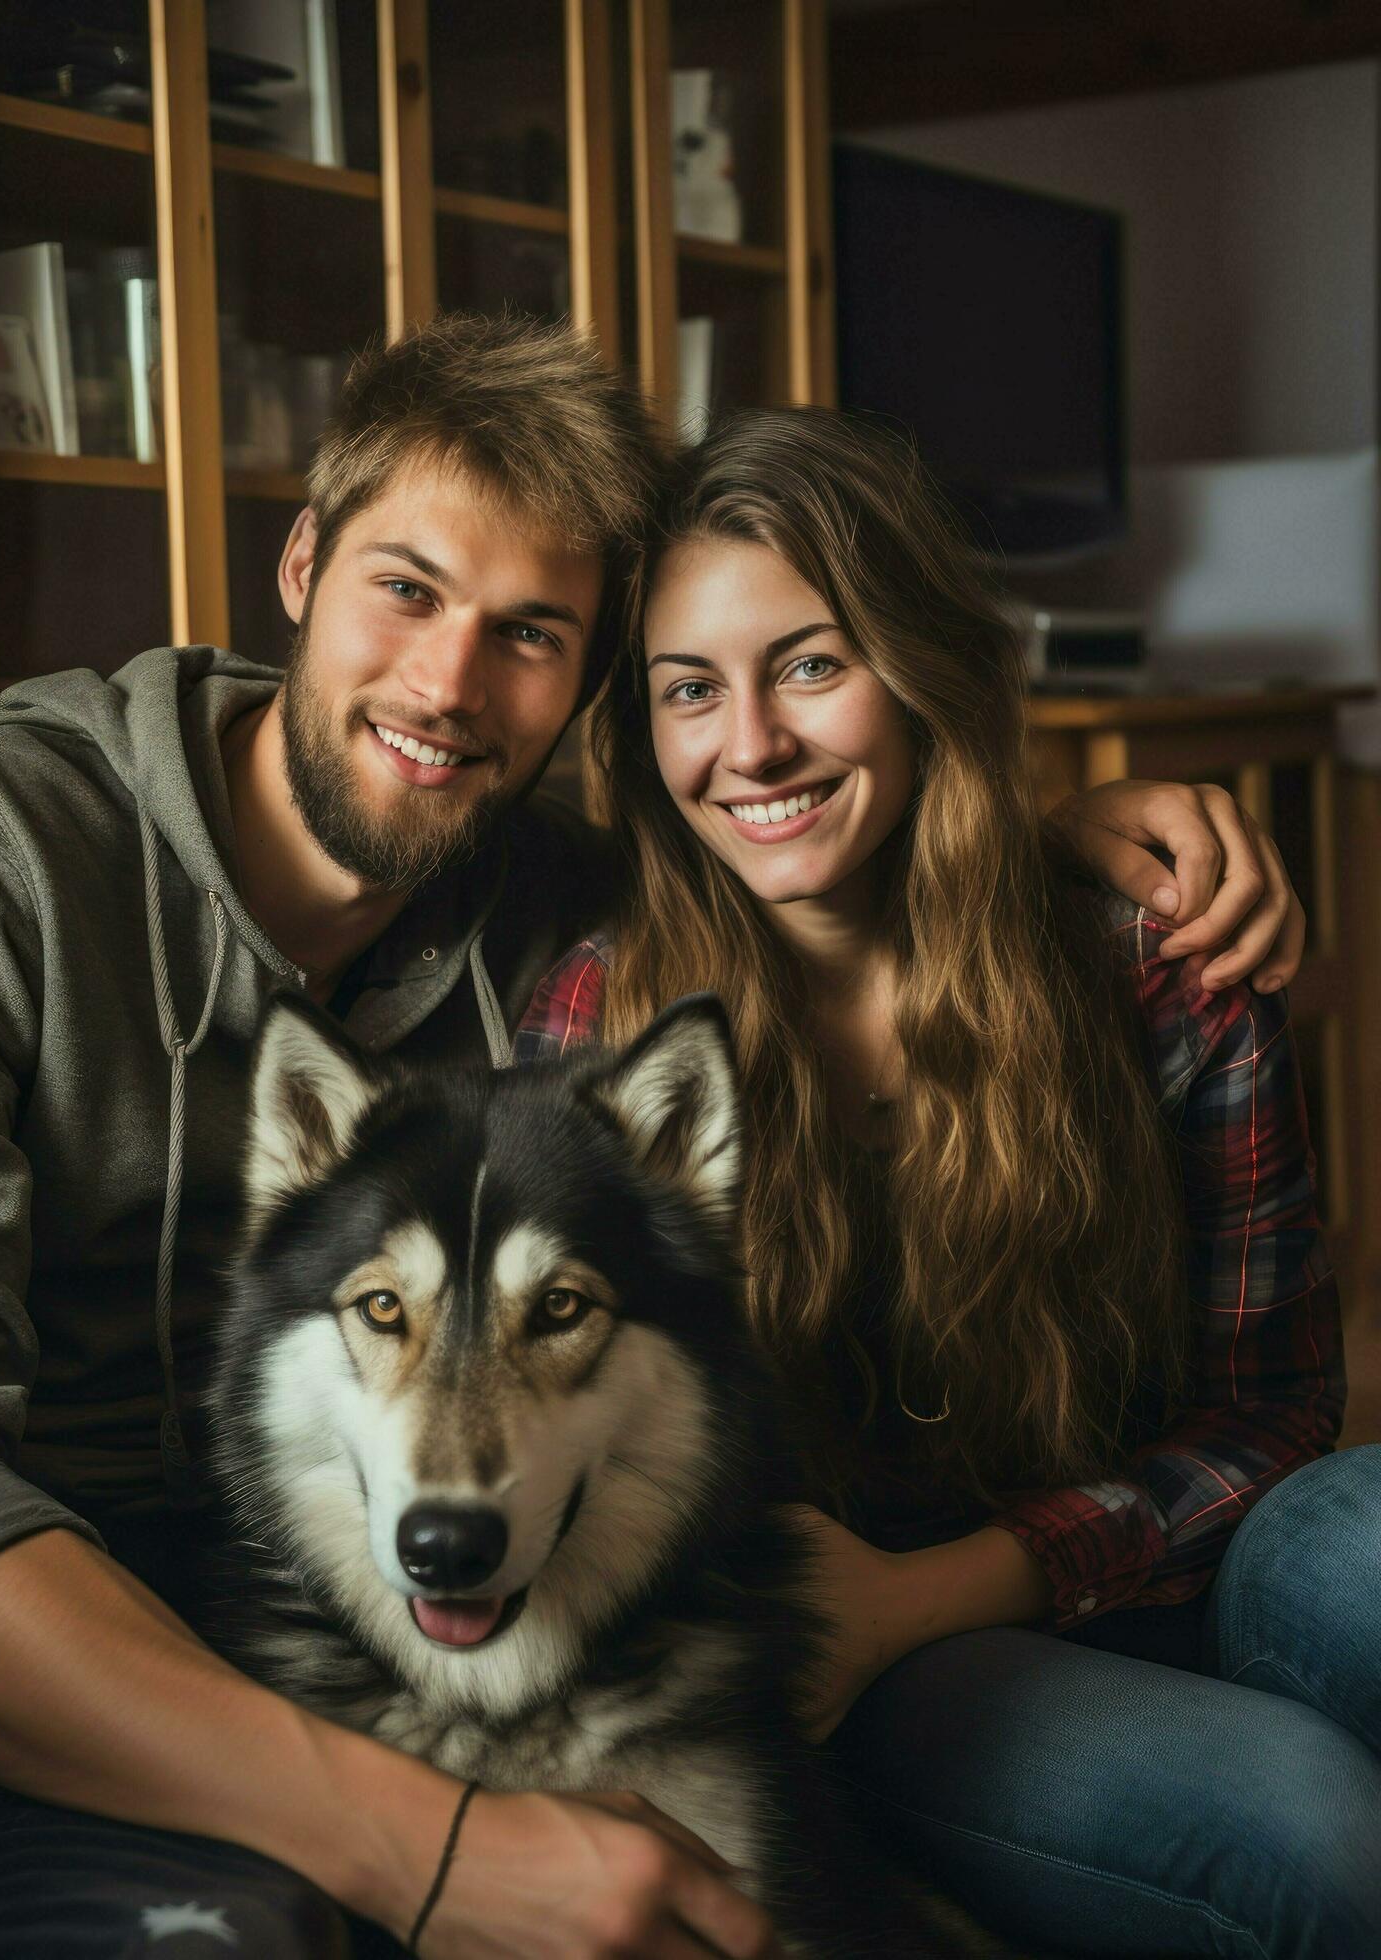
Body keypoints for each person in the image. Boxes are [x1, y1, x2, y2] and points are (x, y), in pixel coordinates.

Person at [0, 314, 1313, 1960]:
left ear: (579, 689)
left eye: (530, 633)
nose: (449, 686)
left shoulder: (538, 901)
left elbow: (796, 834)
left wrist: (1053, 846)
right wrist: (429, 1850)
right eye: (407, 586)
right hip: (25, 1676)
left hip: (418, 1608)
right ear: (302, 560)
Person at [517, 406, 1378, 1959]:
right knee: (1311, 1825)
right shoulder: (598, 1031)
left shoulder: (1152, 964)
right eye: (688, 690)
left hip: (1144, 1556)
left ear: (922, 673)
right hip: (860, 1658)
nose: (752, 744)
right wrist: (891, 1621)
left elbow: (1276, 1409)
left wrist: (970, 1580)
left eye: (813, 664)